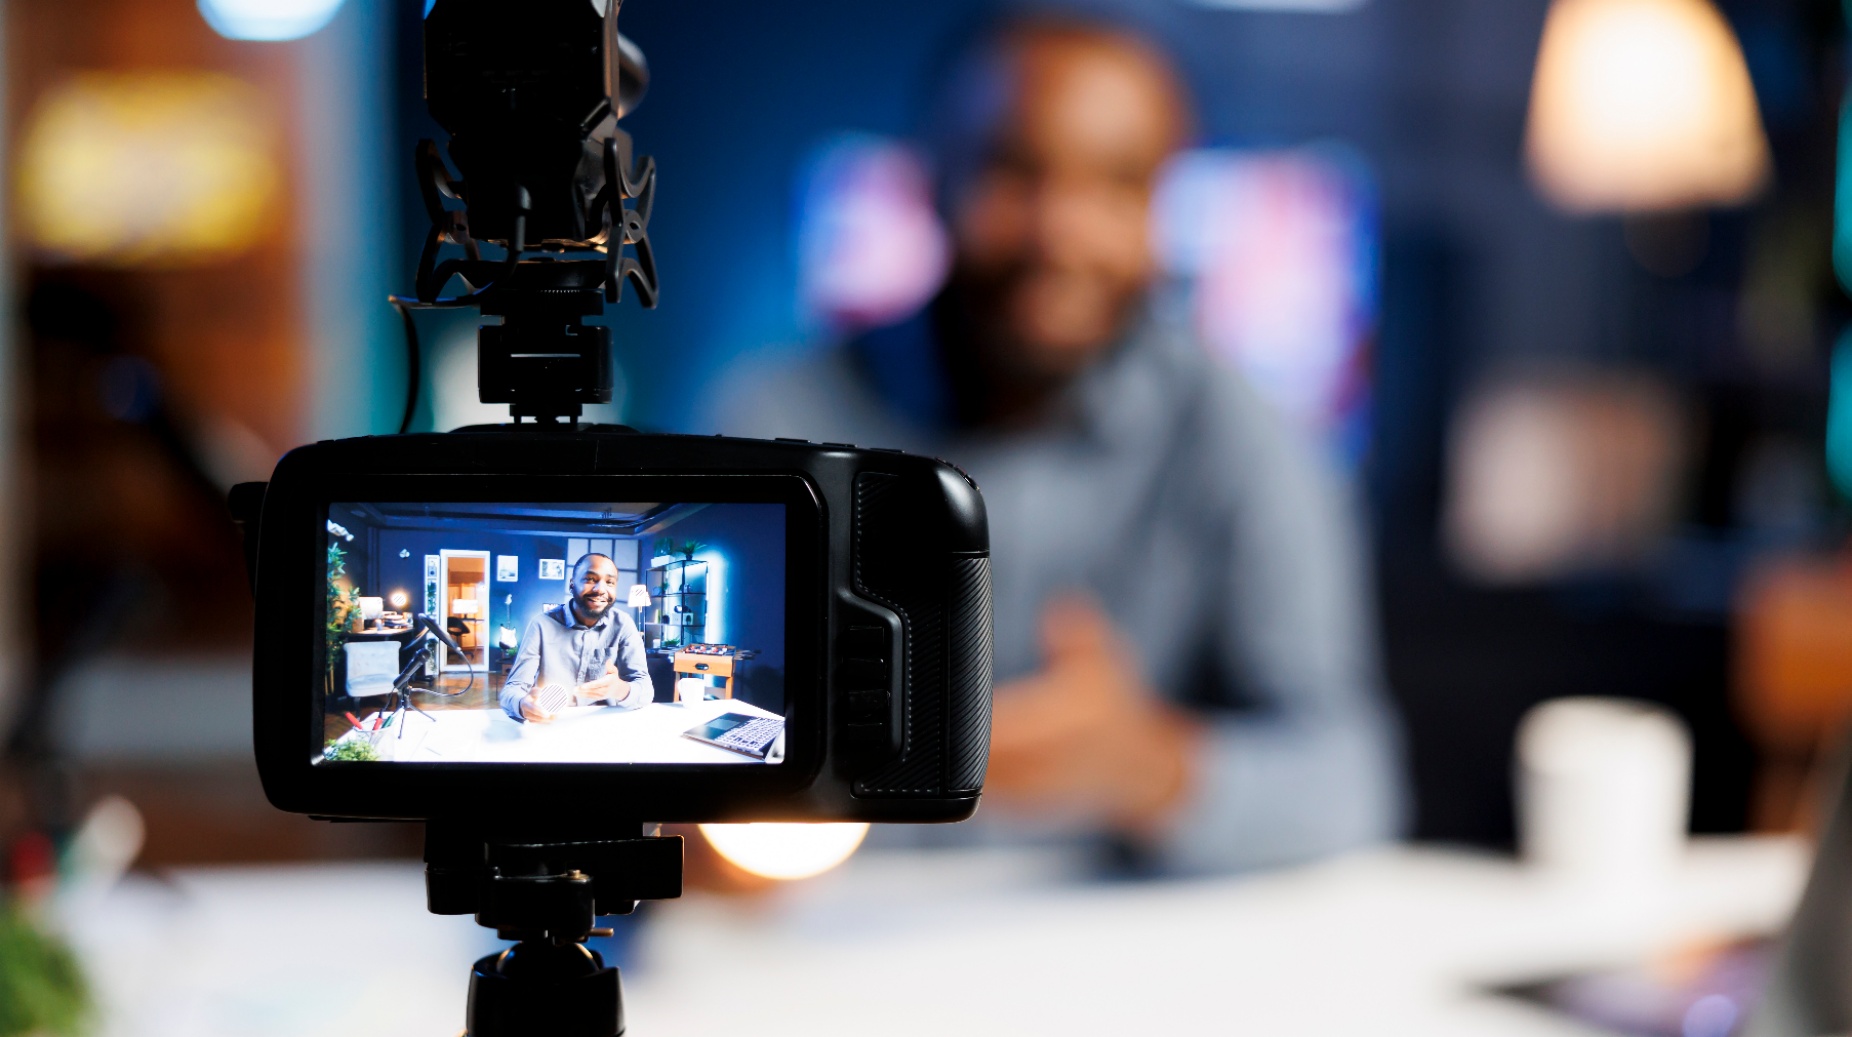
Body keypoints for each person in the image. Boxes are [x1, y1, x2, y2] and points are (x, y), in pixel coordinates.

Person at [709, 14, 1406, 873]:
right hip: (826, 942)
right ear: (932, 180)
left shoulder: (1245, 433)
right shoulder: (774, 419)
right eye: (1013, 170)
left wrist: (1150, 765)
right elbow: (684, 753)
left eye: (1119, 185)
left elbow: (1353, 779)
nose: (1063, 232)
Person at [500, 553, 654, 722]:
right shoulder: (541, 625)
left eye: (610, 582)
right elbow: (512, 689)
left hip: (606, 723)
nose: (601, 589)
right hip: (552, 722)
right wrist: (523, 704)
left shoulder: (623, 624)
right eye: (590, 579)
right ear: (572, 584)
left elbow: (646, 690)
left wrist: (619, 689)